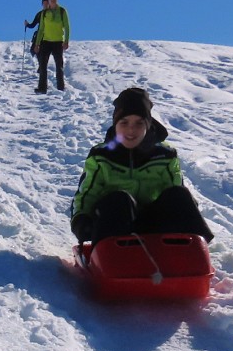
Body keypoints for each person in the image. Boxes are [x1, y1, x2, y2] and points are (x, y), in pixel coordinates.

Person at [70, 87, 213, 247]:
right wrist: (81, 221)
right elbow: (87, 193)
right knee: (119, 198)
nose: (131, 129)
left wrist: (187, 213)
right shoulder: (101, 156)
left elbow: (176, 191)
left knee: (179, 194)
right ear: (115, 124)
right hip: (113, 226)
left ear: (148, 124)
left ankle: (192, 252)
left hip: (152, 226)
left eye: (139, 123)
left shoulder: (165, 155)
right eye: (124, 122)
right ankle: (112, 258)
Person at [31, 0, 69, 93]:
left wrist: (66, 40)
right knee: (43, 65)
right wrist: (37, 43)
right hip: (46, 41)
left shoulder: (62, 11)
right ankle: (42, 88)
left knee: (59, 66)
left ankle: (61, 87)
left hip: (58, 42)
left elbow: (67, 26)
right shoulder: (44, 13)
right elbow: (41, 29)